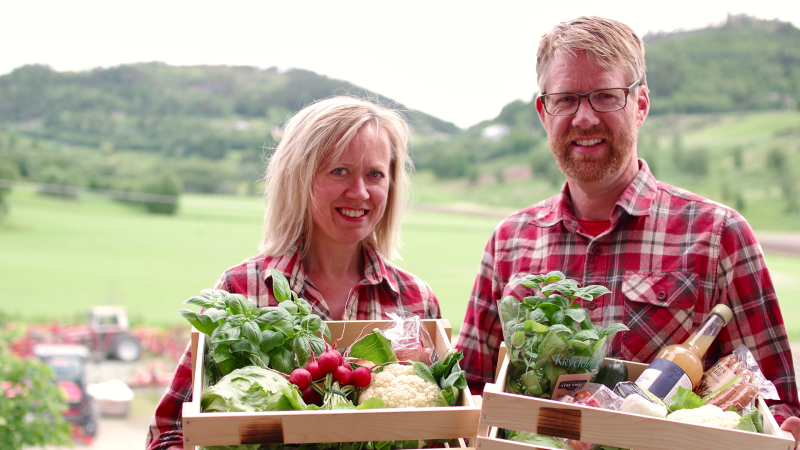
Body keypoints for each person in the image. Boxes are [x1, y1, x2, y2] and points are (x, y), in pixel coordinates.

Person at [454, 15, 800, 444]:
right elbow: (467, 393)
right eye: (565, 99)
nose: (584, 118)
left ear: (640, 104)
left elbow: (776, 406)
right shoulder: (509, 242)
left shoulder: (719, 236)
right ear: (544, 112)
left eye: (605, 96)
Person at [146, 96, 440, 449]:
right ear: (298, 177)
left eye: (374, 174)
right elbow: (168, 433)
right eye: (339, 171)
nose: (359, 192)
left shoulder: (415, 300)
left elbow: (447, 435)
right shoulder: (241, 291)